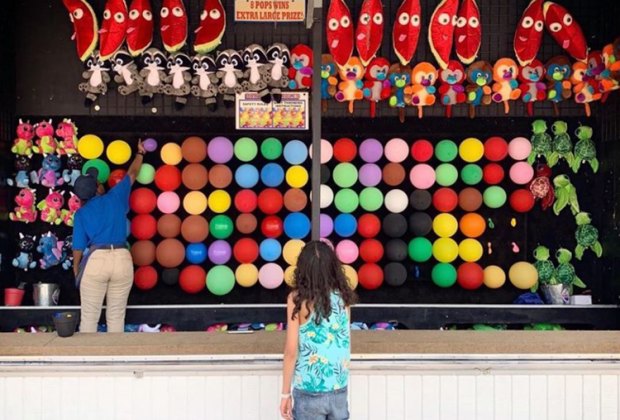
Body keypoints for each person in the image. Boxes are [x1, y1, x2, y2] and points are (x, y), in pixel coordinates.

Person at [72, 140, 147, 333]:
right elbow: (132, 173)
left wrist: (77, 272)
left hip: (96, 261)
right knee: (116, 315)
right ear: (97, 188)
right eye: (98, 182)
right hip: (122, 258)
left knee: (89, 317)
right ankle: (116, 359)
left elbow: (78, 248)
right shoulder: (115, 197)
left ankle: (88, 359)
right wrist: (140, 153)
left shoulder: (81, 213)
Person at [280, 240, 357, 420]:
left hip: (309, 390)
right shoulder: (344, 297)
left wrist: (285, 394)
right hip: (339, 388)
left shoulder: (297, 299)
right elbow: (345, 341)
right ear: (333, 267)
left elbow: (291, 351)